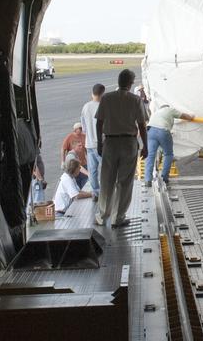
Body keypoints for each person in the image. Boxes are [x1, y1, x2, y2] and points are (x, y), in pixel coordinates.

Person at [95, 70, 148, 227]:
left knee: (106, 180)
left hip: (110, 142)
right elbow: (142, 125)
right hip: (128, 143)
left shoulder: (106, 98)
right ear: (131, 83)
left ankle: (103, 214)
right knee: (124, 182)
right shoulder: (135, 100)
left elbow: (99, 122)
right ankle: (118, 218)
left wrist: (99, 142)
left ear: (118, 81)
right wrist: (146, 145)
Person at [145, 102, 195, 188]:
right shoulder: (170, 109)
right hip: (163, 131)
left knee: (150, 155)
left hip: (151, 131)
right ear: (167, 107)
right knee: (168, 154)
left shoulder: (156, 113)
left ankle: (148, 180)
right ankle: (165, 177)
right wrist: (191, 117)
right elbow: (184, 116)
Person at [80, 84, 105, 198]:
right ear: (102, 94)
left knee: (92, 170)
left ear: (92, 93)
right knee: (105, 169)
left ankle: (95, 192)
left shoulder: (85, 107)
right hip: (101, 144)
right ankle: (106, 191)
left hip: (89, 144)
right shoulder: (103, 107)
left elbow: (83, 128)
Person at [61, 122, 89, 188]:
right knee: (76, 182)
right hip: (73, 164)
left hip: (83, 163)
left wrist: (89, 160)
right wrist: (62, 161)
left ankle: (84, 192)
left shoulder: (84, 136)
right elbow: (63, 149)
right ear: (75, 130)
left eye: (81, 128)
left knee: (85, 181)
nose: (81, 130)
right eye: (79, 128)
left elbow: (86, 149)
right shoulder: (70, 137)